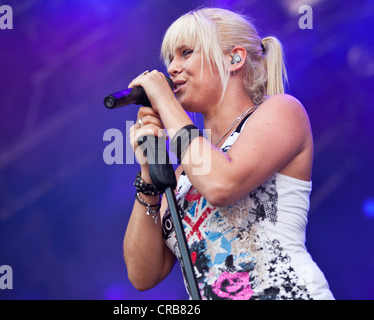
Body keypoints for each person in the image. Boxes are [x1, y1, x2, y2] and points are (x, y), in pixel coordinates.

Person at [123, 7, 334, 300]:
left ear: (234, 58)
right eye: (170, 58)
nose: (171, 68)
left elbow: (222, 185)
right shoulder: (186, 171)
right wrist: (149, 174)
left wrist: (165, 103)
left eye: (186, 53)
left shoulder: (282, 111)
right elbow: (143, 275)